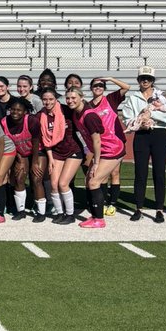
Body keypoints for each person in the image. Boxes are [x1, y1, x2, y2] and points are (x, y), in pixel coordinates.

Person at [120, 66, 166, 223]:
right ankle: (139, 208)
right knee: (140, 172)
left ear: (153, 81)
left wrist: (152, 114)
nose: (145, 81)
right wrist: (139, 122)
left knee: (159, 173)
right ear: (138, 80)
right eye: (142, 78)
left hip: (159, 134)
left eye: (148, 78)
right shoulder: (133, 98)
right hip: (141, 135)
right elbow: (126, 118)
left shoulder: (162, 95)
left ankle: (159, 209)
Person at [67, 85, 126, 229]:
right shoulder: (76, 114)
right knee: (89, 180)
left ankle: (99, 219)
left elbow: (97, 140)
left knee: (94, 181)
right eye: (68, 98)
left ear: (81, 97)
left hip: (111, 149)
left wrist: (95, 162)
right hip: (103, 150)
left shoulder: (89, 116)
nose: (70, 101)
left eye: (73, 98)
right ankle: (95, 214)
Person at [85, 76, 129, 216]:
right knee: (100, 176)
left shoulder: (110, 99)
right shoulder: (89, 105)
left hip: (115, 143)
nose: (98, 87)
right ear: (91, 88)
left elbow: (126, 87)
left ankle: (113, 204)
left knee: (115, 173)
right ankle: (102, 203)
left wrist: (110, 78)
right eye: (95, 85)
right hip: (99, 145)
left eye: (101, 85)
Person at [38, 88, 83, 224]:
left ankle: (70, 215)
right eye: (45, 99)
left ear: (56, 99)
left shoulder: (66, 110)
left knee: (63, 183)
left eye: (51, 99)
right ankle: (60, 213)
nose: (48, 102)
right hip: (56, 152)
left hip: (73, 150)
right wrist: (50, 159)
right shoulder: (42, 115)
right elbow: (45, 140)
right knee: (53, 184)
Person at [0, 98, 43, 220]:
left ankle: (41, 212)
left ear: (25, 111)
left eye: (19, 110)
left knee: (36, 178)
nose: (15, 112)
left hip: (36, 151)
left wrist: (34, 162)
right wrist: (19, 158)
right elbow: (7, 143)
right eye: (13, 109)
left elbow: (35, 142)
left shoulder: (31, 121)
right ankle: (21, 211)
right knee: (19, 178)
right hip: (19, 152)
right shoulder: (4, 122)